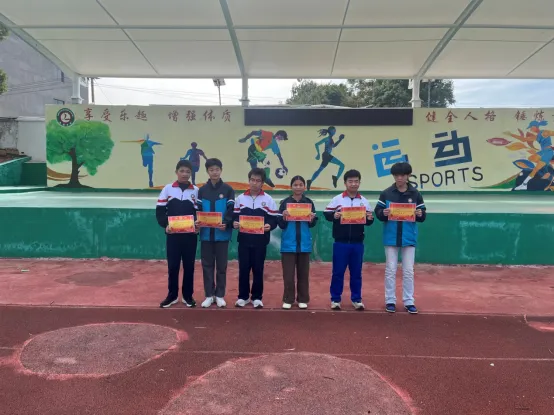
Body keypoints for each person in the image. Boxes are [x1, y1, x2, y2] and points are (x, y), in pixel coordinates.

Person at [374, 162, 426, 315]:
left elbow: (423, 215)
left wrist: (420, 214)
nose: (399, 178)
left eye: (402, 175)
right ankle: (390, 300)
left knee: (408, 271)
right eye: (396, 175)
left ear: (408, 176)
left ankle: (409, 301)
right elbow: (378, 213)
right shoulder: (386, 193)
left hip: (408, 238)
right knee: (390, 269)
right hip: (391, 237)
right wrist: (383, 213)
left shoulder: (415, 194)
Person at [324, 170, 374, 311]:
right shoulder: (337, 199)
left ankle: (357, 299)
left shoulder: (364, 201)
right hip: (340, 242)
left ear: (359, 183)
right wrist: (335, 215)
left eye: (356, 181)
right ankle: (335, 299)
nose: (353, 184)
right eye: (350, 181)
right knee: (338, 273)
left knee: (356, 273)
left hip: (357, 243)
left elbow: (369, 220)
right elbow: (327, 214)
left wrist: (370, 219)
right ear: (345, 183)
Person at [233, 168, 279, 309]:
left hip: (260, 241)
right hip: (244, 240)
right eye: (252, 180)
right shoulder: (240, 198)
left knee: (258, 269)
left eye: (258, 181)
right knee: (243, 269)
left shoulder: (268, 199)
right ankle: (243, 297)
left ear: (262, 183)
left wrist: (269, 225)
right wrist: (235, 223)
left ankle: (257, 298)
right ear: (249, 181)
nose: (254, 183)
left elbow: (274, 219)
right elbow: (235, 217)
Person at [156, 160, 199, 309]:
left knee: (189, 266)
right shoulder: (168, 189)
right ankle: (172, 295)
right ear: (176, 172)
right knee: (173, 266)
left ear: (191, 174)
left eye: (188, 172)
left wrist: (197, 225)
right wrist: (166, 225)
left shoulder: (196, 190)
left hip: (190, 236)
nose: (185, 174)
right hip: (173, 235)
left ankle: (188, 296)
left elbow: (199, 212)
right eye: (182, 171)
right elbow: (160, 211)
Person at [197, 158, 235, 308]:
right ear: (207, 171)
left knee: (221, 266)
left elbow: (231, 210)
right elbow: (198, 210)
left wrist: (226, 223)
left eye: (217, 169)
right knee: (207, 266)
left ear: (221, 170)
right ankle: (208, 295)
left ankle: (219, 295)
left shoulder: (228, 190)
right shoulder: (202, 191)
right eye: (211, 170)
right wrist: (198, 221)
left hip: (222, 235)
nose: (214, 172)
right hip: (206, 235)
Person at [278, 176, 318, 310]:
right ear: (291, 187)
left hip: (304, 244)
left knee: (303, 274)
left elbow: (312, 224)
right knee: (288, 275)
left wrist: (312, 218)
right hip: (288, 244)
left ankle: (302, 299)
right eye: (295, 185)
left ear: (304, 187)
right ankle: (288, 299)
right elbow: (281, 224)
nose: (298, 187)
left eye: (301, 184)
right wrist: (283, 217)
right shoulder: (285, 203)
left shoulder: (309, 202)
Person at [307, 126, 346, 191]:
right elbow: (317, 144)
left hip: (327, 156)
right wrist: (318, 154)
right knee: (342, 165)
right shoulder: (327, 139)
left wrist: (340, 139)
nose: (335, 132)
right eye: (334, 131)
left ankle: (310, 181)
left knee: (319, 170)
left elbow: (333, 146)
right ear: (331, 131)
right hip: (326, 155)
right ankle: (335, 178)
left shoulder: (330, 139)